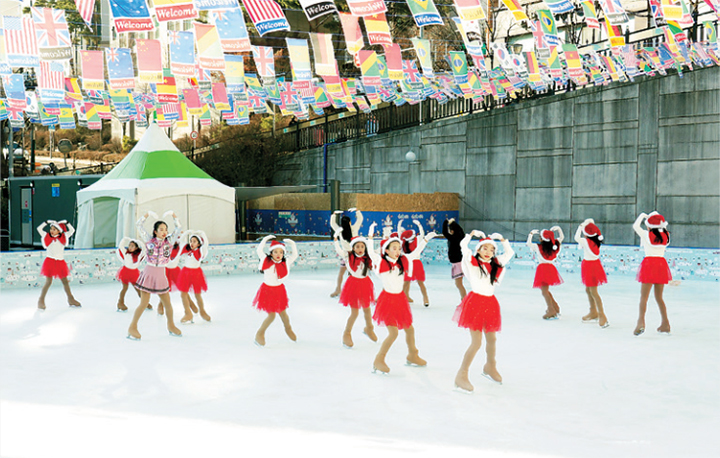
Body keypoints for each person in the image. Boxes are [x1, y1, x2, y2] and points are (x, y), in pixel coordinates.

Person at [366, 222, 436, 374]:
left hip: (400, 300)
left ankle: (412, 355)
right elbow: (371, 252)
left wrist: (425, 240)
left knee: (410, 330)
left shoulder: (402, 262)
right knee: (393, 333)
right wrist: (370, 236)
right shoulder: (382, 262)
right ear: (387, 250)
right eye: (394, 248)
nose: (397, 251)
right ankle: (379, 360)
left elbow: (416, 252)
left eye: (399, 248)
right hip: (388, 301)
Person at [453, 231, 514, 393]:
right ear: (478, 250)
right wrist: (471, 234)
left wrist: (502, 239)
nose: (488, 252)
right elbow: (463, 246)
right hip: (475, 304)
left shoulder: (496, 264)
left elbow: (510, 253)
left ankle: (490, 366)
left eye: (491, 250)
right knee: (476, 342)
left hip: (490, 303)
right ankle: (462, 375)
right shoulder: (472, 262)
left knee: (492, 338)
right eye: (484, 249)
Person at [127, 211, 182, 340]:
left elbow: (178, 228)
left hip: (161, 274)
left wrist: (173, 216)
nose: (164, 231)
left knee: (167, 303)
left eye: (166, 229)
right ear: (155, 231)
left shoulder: (169, 241)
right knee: (144, 303)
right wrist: (147, 215)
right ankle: (132, 327)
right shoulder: (149, 240)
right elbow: (138, 225)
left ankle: (171, 325)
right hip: (149, 272)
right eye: (161, 229)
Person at [252, 235, 299, 346]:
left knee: (284, 314)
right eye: (276, 252)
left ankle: (288, 329)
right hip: (268, 290)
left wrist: (292, 244)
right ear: (271, 253)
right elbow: (259, 250)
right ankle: (260, 333)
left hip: (279, 290)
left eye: (281, 252)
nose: (278, 255)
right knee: (272, 315)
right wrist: (264, 240)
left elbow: (295, 255)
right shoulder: (266, 261)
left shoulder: (285, 262)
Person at [333, 231, 377, 348]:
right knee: (355, 312)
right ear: (353, 247)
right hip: (353, 285)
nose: (360, 249)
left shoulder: (368, 258)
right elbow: (339, 251)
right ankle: (346, 333)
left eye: (362, 246)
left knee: (367, 309)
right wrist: (336, 239)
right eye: (357, 246)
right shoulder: (349, 257)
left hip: (365, 284)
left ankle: (369, 328)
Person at [633, 212, 672, 336]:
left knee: (644, 297)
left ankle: (641, 322)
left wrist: (643, 216)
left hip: (649, 264)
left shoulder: (646, 234)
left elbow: (635, 226)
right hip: (661, 265)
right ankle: (665, 323)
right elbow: (662, 228)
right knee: (659, 297)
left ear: (648, 225)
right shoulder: (666, 235)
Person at [36, 220, 81, 309]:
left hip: (60, 262)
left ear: (59, 231)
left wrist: (67, 222)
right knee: (48, 282)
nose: (52, 231)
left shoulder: (64, 237)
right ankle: (41, 300)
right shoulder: (47, 236)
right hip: (50, 262)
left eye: (54, 229)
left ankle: (71, 299)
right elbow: (39, 228)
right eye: (51, 229)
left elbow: (72, 230)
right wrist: (46, 222)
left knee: (65, 281)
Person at [574, 219, 609, 328]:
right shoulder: (596, 241)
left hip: (590, 266)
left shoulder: (586, 241)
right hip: (593, 265)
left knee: (593, 291)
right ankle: (593, 311)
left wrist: (581, 226)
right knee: (589, 290)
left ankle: (602, 315)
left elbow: (576, 238)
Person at [527, 226, 564, 320]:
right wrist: (559, 230)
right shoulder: (555, 246)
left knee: (544, 291)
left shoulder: (538, 247)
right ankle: (556, 307)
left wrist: (531, 234)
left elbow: (528, 243)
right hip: (551, 268)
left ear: (542, 238)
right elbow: (561, 238)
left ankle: (551, 310)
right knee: (546, 290)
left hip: (543, 269)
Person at [176, 230, 211, 323]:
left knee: (197, 294)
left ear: (199, 243)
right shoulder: (187, 250)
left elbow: (206, 244)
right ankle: (188, 313)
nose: (192, 243)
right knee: (183, 294)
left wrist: (202, 233)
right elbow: (180, 243)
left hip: (196, 274)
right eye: (191, 241)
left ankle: (202, 311)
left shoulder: (200, 251)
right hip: (185, 273)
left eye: (194, 241)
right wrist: (186, 234)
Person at [329, 208, 363, 297]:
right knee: (354, 275)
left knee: (341, 273)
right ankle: (355, 291)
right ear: (350, 223)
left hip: (345, 255)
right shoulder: (354, 228)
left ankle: (338, 289)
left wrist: (334, 214)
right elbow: (360, 219)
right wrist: (357, 211)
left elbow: (332, 223)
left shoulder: (339, 230)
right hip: (354, 255)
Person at [398, 219, 430, 307]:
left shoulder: (417, 240)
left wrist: (419, 224)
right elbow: (400, 236)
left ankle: (425, 298)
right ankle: (402, 298)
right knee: (406, 282)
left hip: (415, 264)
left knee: (420, 282)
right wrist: (419, 225)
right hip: (408, 264)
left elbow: (422, 234)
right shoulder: (404, 244)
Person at [115, 237, 146, 312]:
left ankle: (145, 303)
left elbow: (144, 250)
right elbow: (121, 246)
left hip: (134, 273)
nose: (130, 247)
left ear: (136, 248)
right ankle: (120, 303)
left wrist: (140, 242)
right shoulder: (126, 252)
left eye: (132, 246)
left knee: (138, 289)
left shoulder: (139, 255)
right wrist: (125, 239)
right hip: (125, 272)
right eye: (129, 245)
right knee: (125, 288)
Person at [443, 218, 467, 302]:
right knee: (459, 284)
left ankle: (464, 301)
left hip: (457, 263)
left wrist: (446, 222)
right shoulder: (460, 237)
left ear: (452, 231)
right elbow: (460, 230)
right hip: (458, 263)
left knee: (459, 284)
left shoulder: (453, 238)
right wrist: (452, 223)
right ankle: (463, 300)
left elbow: (444, 232)